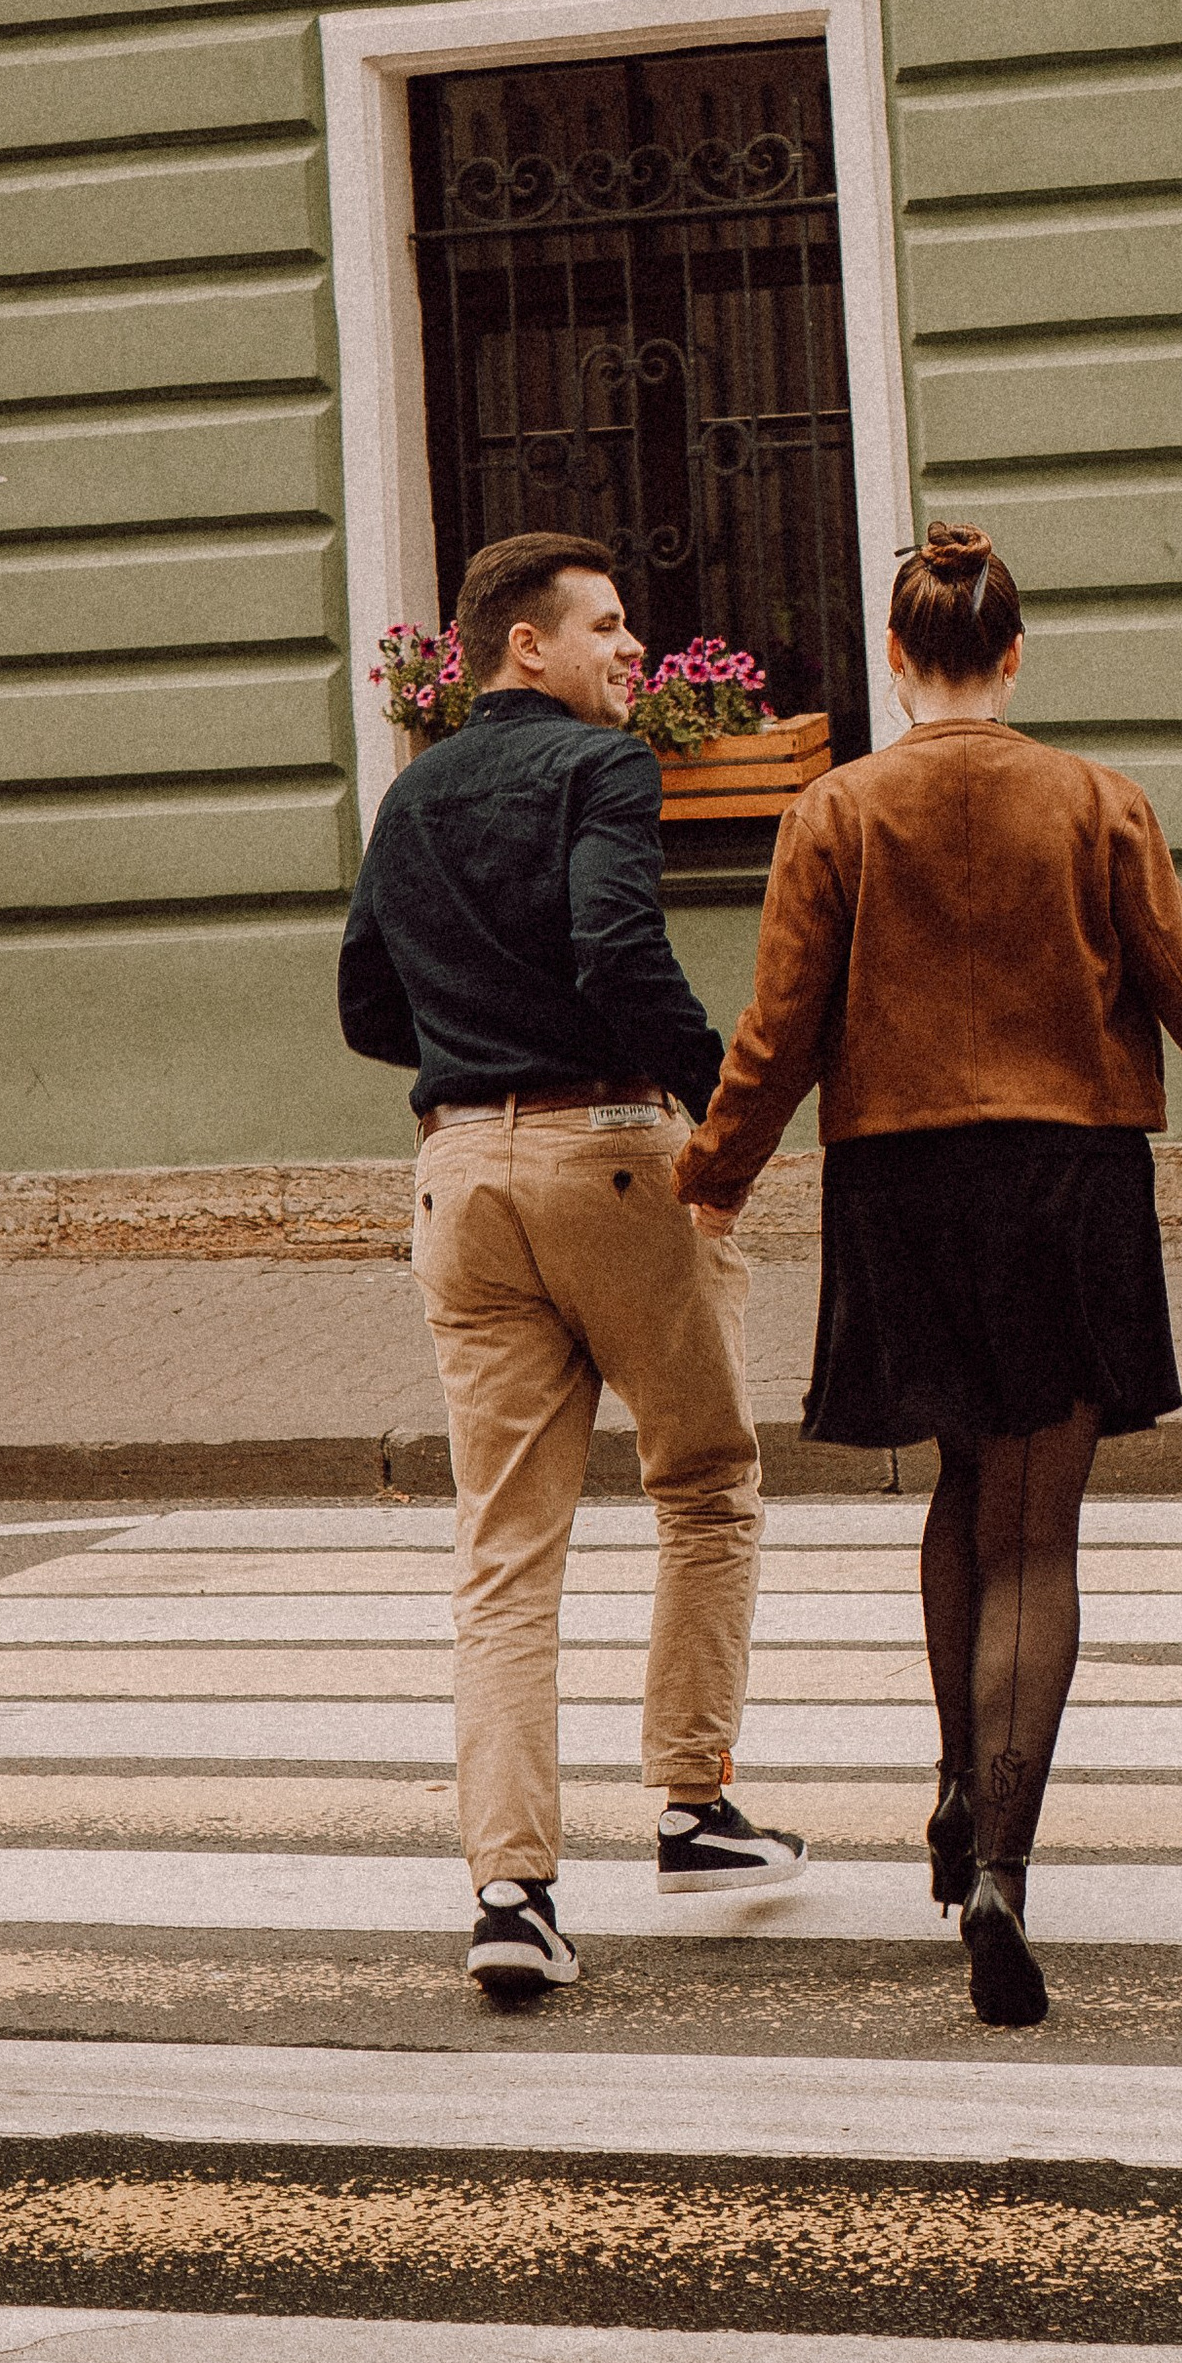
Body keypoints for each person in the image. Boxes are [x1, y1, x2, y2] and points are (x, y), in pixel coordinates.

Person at [672, 522, 1182, 2030]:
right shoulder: (1100, 802)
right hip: (1067, 1180)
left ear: (899, 662)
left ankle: (959, 1783)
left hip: (902, 1183)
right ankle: (1004, 1872)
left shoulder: (831, 814)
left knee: (961, 1491)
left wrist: (714, 1179)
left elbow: (777, 1030)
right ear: (1015, 652)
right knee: (1039, 1532)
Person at [338, 528, 806, 2003]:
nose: (632, 653)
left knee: (505, 1548)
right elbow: (617, 945)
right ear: (521, 648)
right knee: (706, 1478)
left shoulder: (412, 795)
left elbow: (365, 1007)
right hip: (609, 1156)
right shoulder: (603, 772)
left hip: (456, 1180)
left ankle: (511, 1893)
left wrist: (478, 1041)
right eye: (605, 628)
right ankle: (692, 1804)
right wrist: (723, 1104)